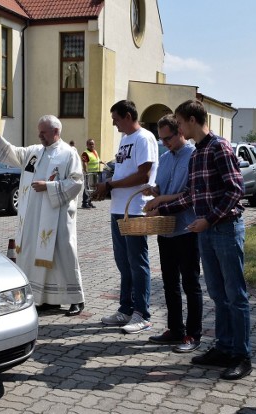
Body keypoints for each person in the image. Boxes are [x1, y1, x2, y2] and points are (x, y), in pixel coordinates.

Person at [146, 99, 251, 380]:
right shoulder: (197, 154)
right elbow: (190, 196)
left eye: (179, 123)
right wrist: (160, 208)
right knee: (218, 294)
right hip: (205, 230)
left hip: (225, 229)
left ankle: (241, 355)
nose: (178, 127)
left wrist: (209, 219)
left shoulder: (220, 147)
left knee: (235, 296)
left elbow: (235, 190)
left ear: (192, 120)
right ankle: (224, 347)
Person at [0, 115, 86, 316]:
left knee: (64, 254)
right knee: (34, 256)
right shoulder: (34, 152)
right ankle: (47, 299)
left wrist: (48, 187)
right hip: (32, 218)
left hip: (57, 217)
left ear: (56, 132)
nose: (39, 135)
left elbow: (76, 182)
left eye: (43, 132)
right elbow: (12, 153)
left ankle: (76, 299)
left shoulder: (69, 154)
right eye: (39, 131)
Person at [92, 99, 158, 334]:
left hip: (136, 209)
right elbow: (124, 172)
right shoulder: (125, 139)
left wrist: (110, 184)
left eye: (116, 119)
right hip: (119, 209)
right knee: (124, 263)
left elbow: (143, 175)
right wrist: (108, 188)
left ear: (129, 116)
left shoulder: (144, 138)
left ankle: (142, 314)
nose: (114, 123)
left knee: (138, 263)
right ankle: (126, 309)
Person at [142, 114, 203, 353]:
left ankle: (193, 334)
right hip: (166, 229)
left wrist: (160, 200)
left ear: (180, 132)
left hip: (187, 229)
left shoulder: (194, 156)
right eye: (161, 139)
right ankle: (175, 329)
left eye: (167, 138)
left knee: (190, 283)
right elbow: (163, 188)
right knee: (169, 283)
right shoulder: (165, 158)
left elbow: (189, 195)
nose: (164, 143)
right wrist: (153, 189)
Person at [81, 139, 103, 209]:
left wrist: (100, 161)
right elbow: (84, 163)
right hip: (89, 173)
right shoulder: (85, 153)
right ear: (87, 145)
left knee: (93, 188)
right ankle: (84, 203)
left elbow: (96, 159)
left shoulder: (94, 151)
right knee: (87, 188)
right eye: (90, 144)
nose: (92, 145)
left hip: (95, 172)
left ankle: (89, 202)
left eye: (93, 144)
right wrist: (86, 171)